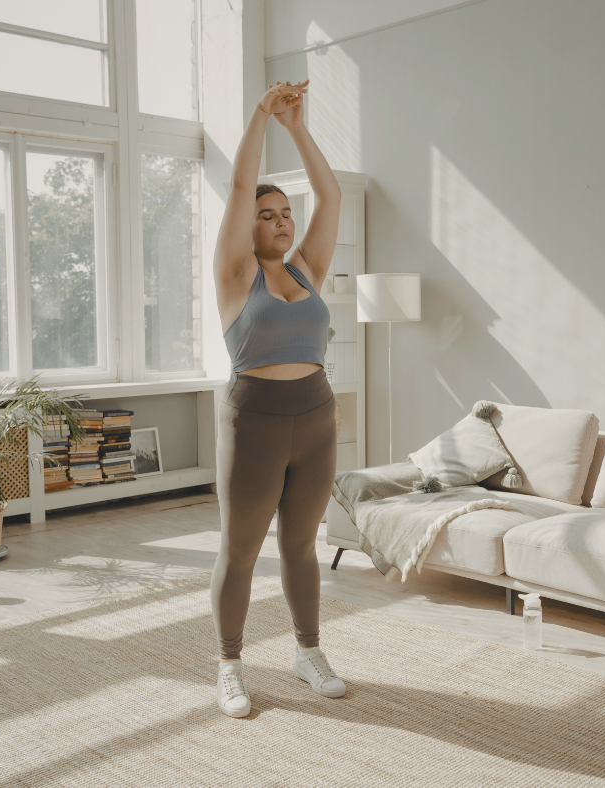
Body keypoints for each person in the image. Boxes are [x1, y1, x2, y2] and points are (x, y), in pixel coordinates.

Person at [211, 79, 346, 718]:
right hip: (256, 422)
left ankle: (307, 650)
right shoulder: (236, 276)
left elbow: (332, 193)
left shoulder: (307, 269)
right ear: (249, 224)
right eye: (268, 214)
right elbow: (240, 188)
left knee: (300, 545)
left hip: (317, 418)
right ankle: (231, 664)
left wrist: (296, 126)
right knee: (240, 551)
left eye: (284, 213)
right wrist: (261, 115)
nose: (281, 221)